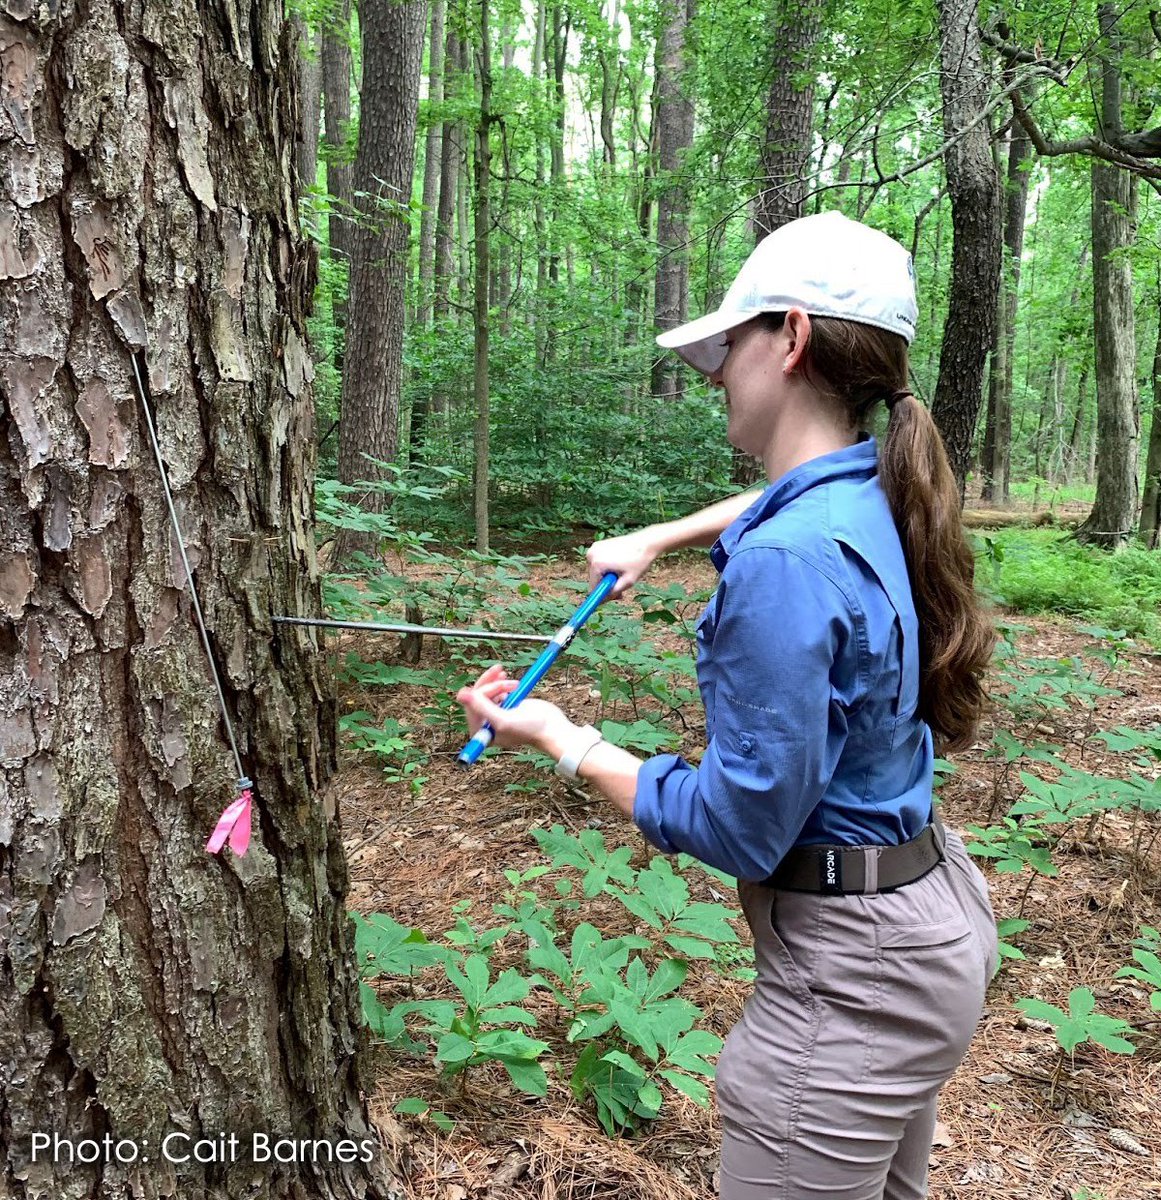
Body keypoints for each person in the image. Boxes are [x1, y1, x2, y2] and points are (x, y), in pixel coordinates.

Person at [457, 210, 998, 1199]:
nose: (714, 372)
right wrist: (659, 536)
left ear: (789, 339)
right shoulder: (877, 488)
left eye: (730, 344)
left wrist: (563, 737)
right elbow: (783, 501)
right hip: (924, 924)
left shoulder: (787, 566)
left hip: (854, 980)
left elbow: (742, 827)